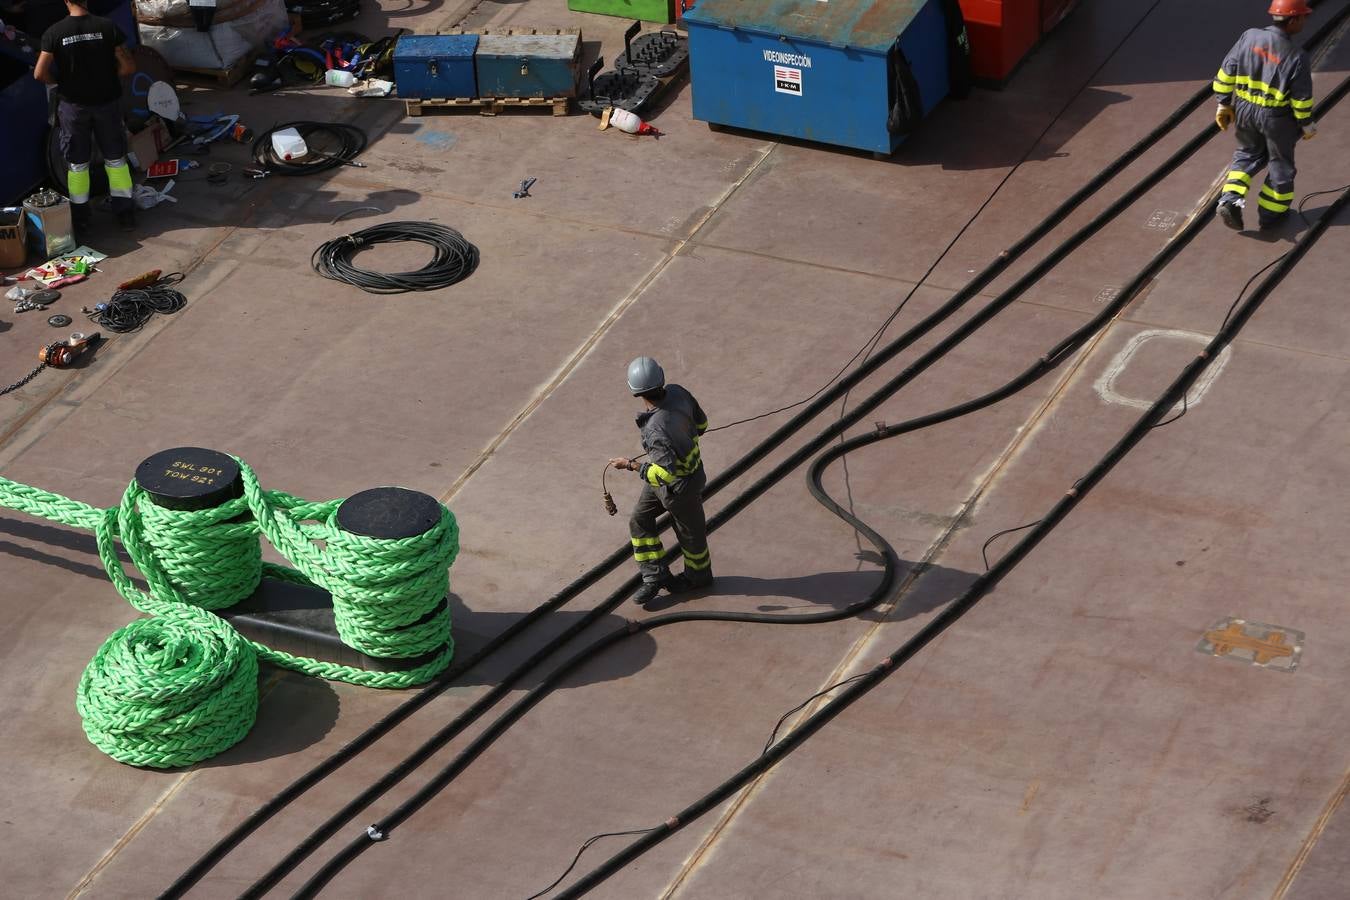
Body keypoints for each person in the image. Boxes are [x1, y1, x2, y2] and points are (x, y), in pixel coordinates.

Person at [609, 357, 713, 605]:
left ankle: (698, 577)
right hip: (688, 476)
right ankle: (654, 576)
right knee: (640, 520)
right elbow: (703, 424)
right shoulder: (679, 392)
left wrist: (631, 465)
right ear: (662, 378)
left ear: (635, 392)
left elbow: (666, 474)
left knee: (691, 537)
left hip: (679, 488)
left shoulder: (654, 429)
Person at [1213, 0, 1316, 232]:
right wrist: (1307, 124)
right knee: (1280, 164)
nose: (1305, 21)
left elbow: (1227, 70)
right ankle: (1272, 214)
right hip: (1276, 118)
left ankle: (1230, 201)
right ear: (1294, 20)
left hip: (1244, 109)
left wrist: (1223, 103)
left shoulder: (1249, 36)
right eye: (1303, 17)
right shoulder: (1297, 56)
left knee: (1246, 155)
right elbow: (1301, 100)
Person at [32, 0, 136, 232]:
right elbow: (128, 67)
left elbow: (39, 73)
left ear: (66, 1)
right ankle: (125, 214)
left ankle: (81, 219)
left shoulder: (54, 32)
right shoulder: (108, 27)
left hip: (73, 107)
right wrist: (108, 79)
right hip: (107, 103)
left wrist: (59, 84)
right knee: (116, 161)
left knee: (77, 165)